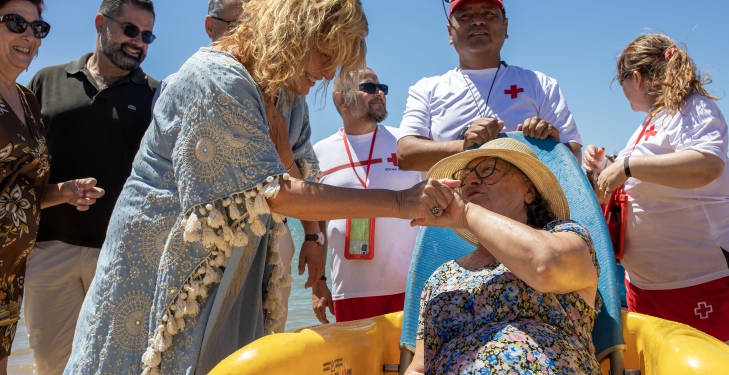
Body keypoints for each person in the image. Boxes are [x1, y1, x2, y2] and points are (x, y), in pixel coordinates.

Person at [63, 1, 456, 374]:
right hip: (162, 261)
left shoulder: (288, 94)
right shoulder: (214, 76)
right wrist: (400, 202)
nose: (328, 70)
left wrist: (306, 219)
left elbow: (299, 186)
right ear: (293, 29)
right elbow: (274, 194)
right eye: (325, 52)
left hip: (237, 268)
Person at [584, 33, 729, 346]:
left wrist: (625, 166)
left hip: (700, 277)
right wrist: (604, 167)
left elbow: (707, 164)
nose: (621, 92)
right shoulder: (649, 123)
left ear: (635, 78)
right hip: (646, 283)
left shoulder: (692, 107)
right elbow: (643, 181)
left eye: (620, 83)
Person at [153, 0, 311, 334]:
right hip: (204, 245)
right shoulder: (180, 84)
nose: (248, 35)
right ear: (210, 27)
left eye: (255, 24)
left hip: (276, 239)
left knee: (267, 349)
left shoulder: (293, 100)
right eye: (236, 25)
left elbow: (305, 180)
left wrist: (314, 238)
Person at [23, 1, 159, 373]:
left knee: (122, 365)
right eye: (130, 30)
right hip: (49, 250)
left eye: (147, 36)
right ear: (101, 22)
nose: (139, 43)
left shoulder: (156, 97)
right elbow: (24, 167)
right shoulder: (44, 82)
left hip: (123, 255)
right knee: (52, 364)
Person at [404, 138, 601, 374]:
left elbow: (544, 266)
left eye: (488, 170)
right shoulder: (441, 277)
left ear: (529, 191)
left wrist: (465, 212)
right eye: (465, 179)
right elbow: (418, 368)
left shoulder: (566, 237)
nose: (471, 181)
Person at [0, 1, 104, 374]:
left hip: (11, 272)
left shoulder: (27, 100)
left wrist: (63, 191)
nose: (28, 35)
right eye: (16, 23)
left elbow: (19, 192)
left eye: (38, 28)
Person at [397, 0, 583, 173]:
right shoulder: (427, 89)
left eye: (488, 13)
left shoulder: (540, 84)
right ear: (450, 33)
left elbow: (573, 153)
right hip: (448, 206)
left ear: (506, 27)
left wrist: (550, 145)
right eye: (465, 15)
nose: (478, 21)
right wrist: (465, 146)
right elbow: (406, 155)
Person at [311, 68, 422, 323]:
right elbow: (315, 221)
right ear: (341, 100)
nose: (379, 93)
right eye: (369, 88)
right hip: (349, 291)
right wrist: (318, 284)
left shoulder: (406, 144)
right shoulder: (320, 153)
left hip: (409, 287)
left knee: (410, 364)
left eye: (382, 88)